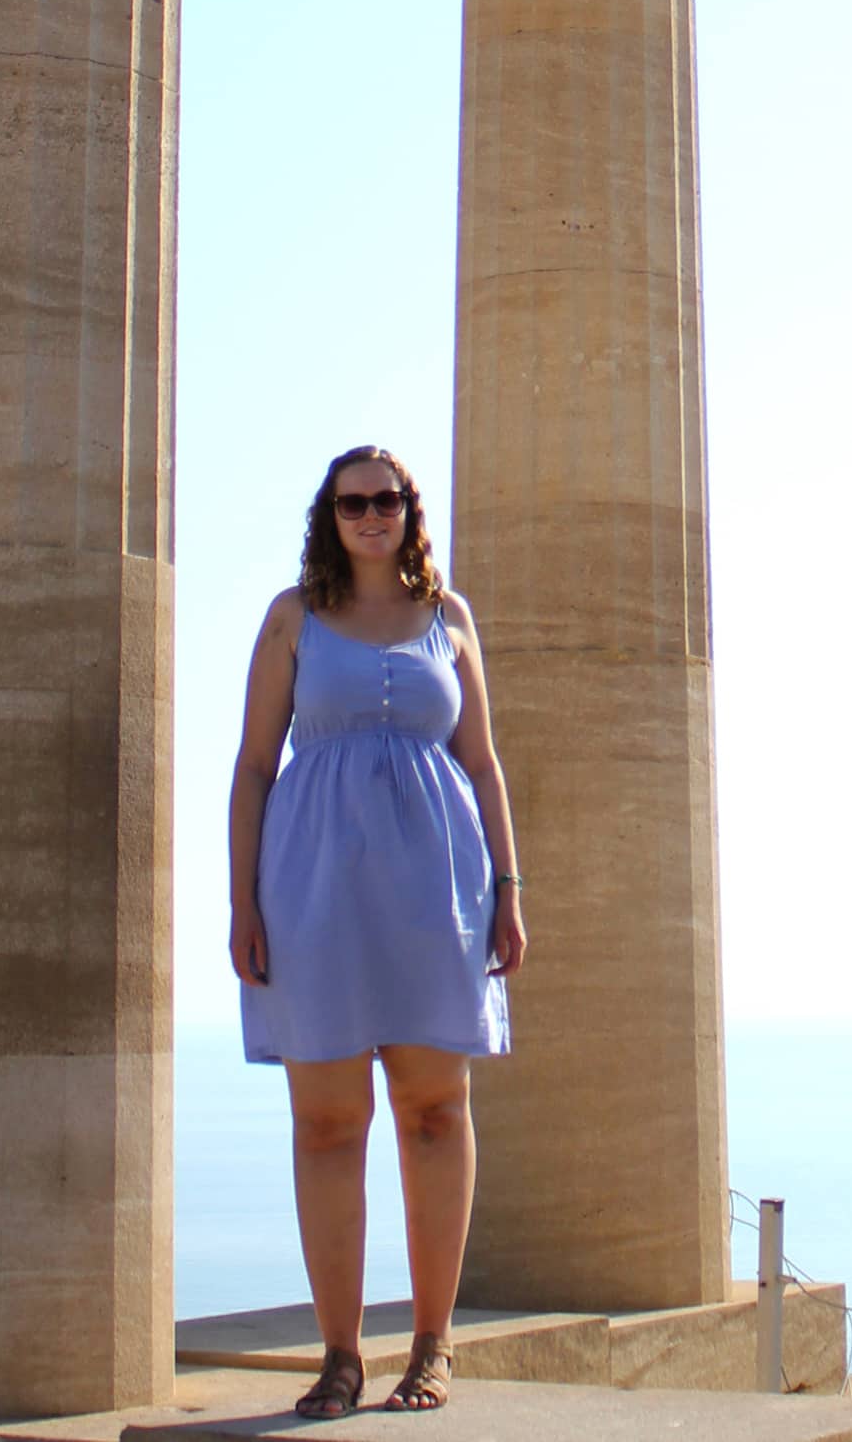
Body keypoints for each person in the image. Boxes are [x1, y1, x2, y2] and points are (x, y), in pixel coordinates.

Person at [228, 442, 526, 1417]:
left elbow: (482, 763)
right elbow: (252, 769)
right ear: (331, 512)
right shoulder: (292, 618)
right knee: (325, 1122)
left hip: (437, 892)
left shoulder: (452, 618)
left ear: (409, 507)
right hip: (312, 890)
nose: (370, 513)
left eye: (386, 498)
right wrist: (242, 903)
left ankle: (433, 1348)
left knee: (435, 1110)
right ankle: (341, 1356)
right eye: (353, 500)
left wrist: (510, 889)